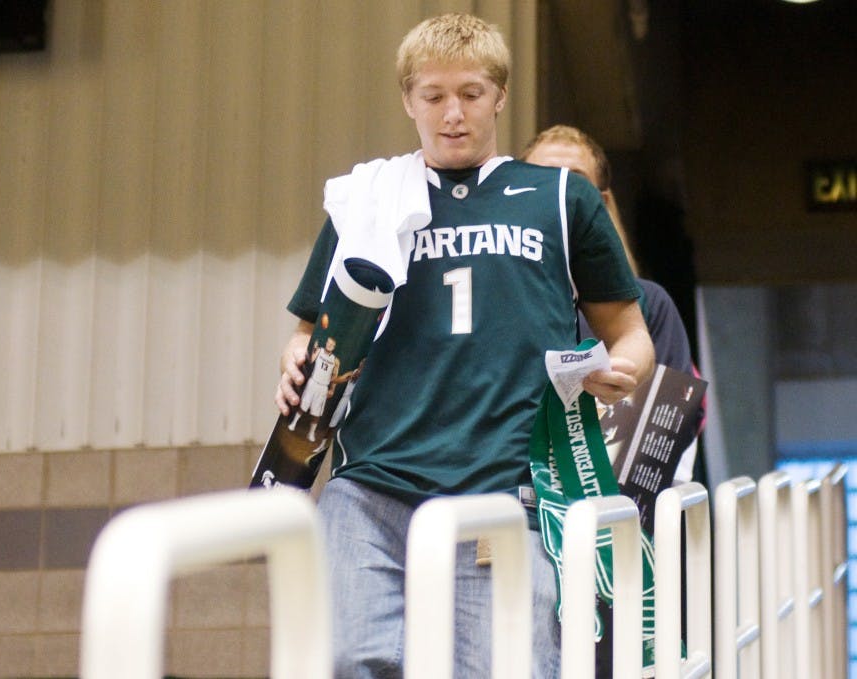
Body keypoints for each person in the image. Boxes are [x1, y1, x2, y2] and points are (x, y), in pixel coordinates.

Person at [275, 14, 654, 679]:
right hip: (373, 483)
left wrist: (623, 368)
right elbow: (310, 332)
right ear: (408, 101)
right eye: (434, 96)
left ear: (500, 96)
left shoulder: (559, 198)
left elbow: (630, 331)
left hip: (505, 488)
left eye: (472, 94)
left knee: (504, 668)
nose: (453, 114)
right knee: (340, 659)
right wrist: (294, 357)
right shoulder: (366, 200)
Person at [522, 124, 699, 481]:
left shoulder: (651, 305)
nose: (558, 194)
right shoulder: (496, 295)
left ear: (599, 204)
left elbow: (670, 426)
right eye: (541, 179)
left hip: (607, 503)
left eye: (575, 182)